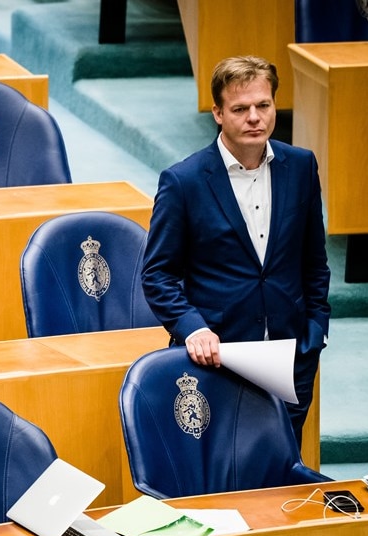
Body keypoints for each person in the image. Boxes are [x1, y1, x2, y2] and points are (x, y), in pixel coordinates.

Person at [141, 55, 330, 447]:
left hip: (290, 356)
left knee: (279, 474)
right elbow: (157, 274)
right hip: (218, 359)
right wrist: (192, 327)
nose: (254, 118)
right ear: (217, 113)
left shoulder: (300, 167)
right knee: (223, 477)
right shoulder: (184, 181)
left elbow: (314, 261)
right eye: (240, 109)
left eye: (263, 105)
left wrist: (316, 331)